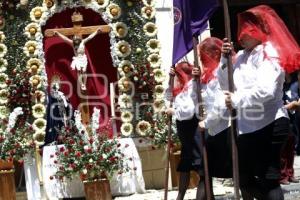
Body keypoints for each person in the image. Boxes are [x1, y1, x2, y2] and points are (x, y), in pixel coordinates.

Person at [218, 5, 300, 200]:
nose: (241, 35)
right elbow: (225, 83)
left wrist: (236, 100)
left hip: (270, 124)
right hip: (247, 126)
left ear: (259, 30)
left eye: (247, 30)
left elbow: (267, 91)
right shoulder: (241, 57)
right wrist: (225, 59)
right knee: (243, 178)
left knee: (267, 178)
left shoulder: (269, 53)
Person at [165, 62, 208, 200]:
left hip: (193, 128)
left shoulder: (192, 86)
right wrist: (170, 80)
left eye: (178, 75)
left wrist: (174, 111)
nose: (177, 78)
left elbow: (188, 111)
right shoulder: (181, 87)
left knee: (201, 166)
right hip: (185, 131)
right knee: (186, 163)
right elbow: (168, 96)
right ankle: (180, 196)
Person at [197, 37, 233, 181]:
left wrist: (206, 123)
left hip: (225, 129)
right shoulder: (206, 75)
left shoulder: (221, 72)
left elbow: (221, 103)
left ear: (214, 54)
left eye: (204, 54)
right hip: (214, 130)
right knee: (205, 175)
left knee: (242, 178)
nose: (201, 57)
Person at [44, 77, 73, 145]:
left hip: (63, 120)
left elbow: (68, 108)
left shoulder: (62, 95)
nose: (55, 86)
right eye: (54, 83)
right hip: (53, 121)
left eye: (57, 83)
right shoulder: (49, 97)